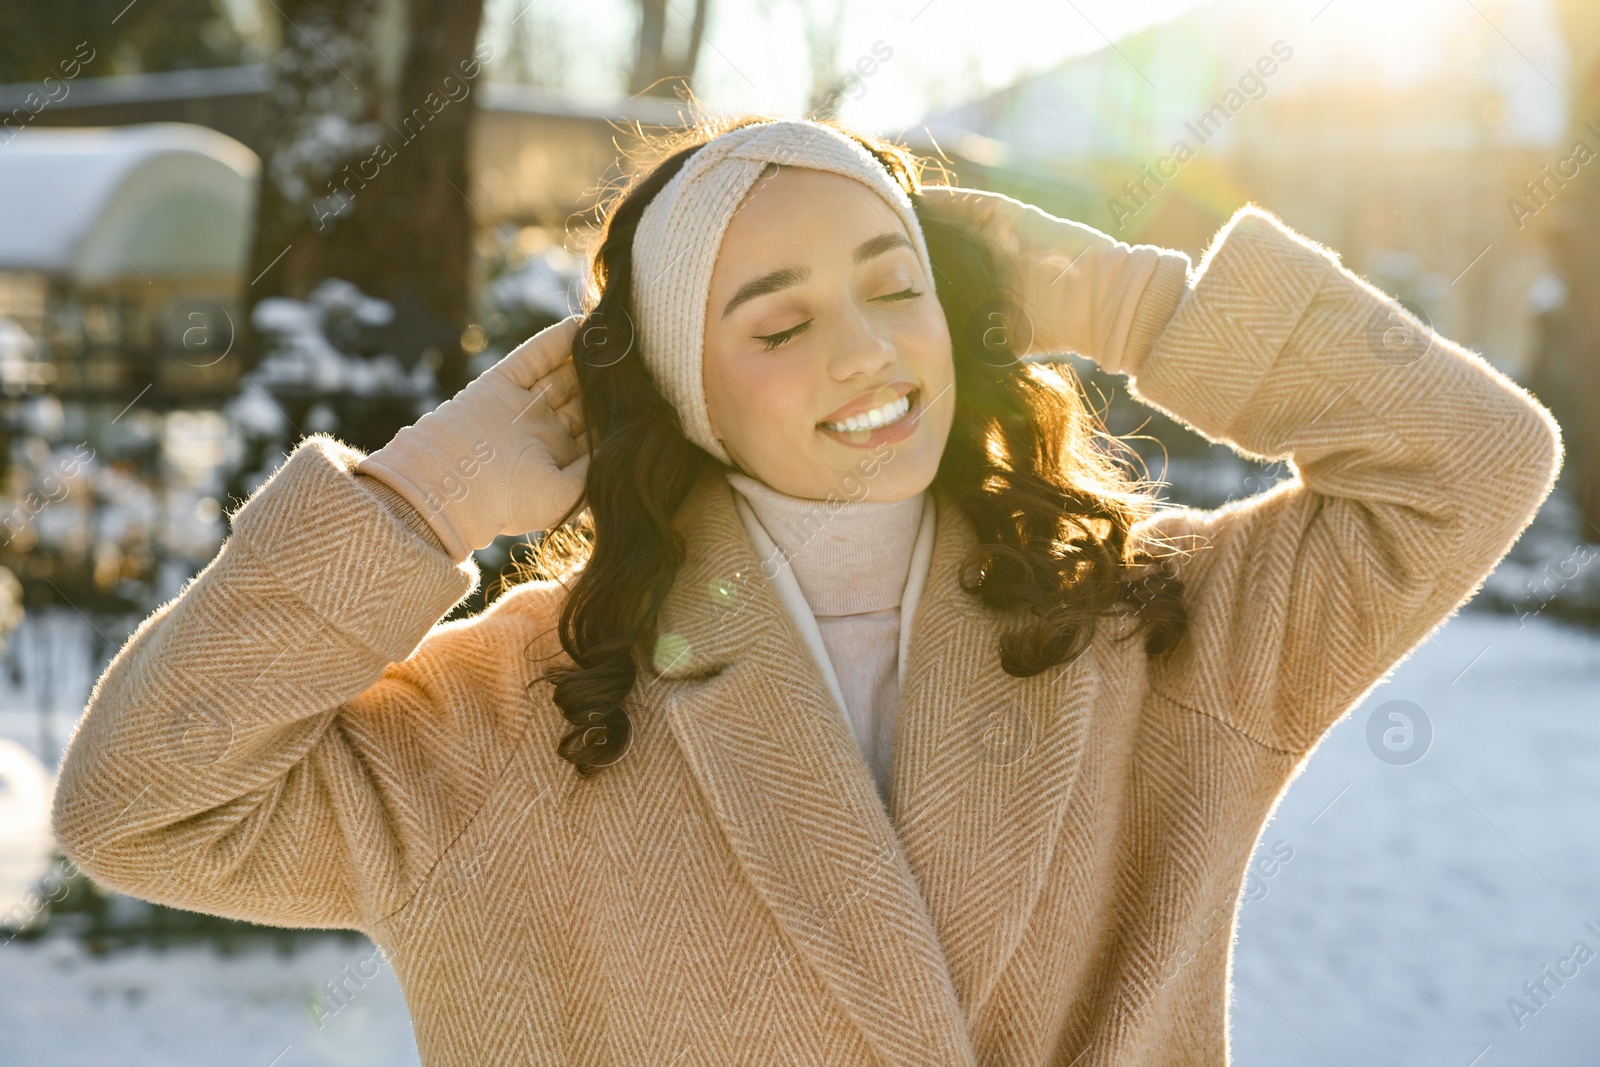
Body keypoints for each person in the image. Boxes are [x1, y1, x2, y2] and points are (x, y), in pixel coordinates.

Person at [50, 116, 1562, 1066]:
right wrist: (425, 497)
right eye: (777, 322)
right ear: (677, 391)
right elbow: (142, 808)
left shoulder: (1156, 624)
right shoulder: (519, 712)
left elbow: (1473, 459)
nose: (865, 352)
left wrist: (1127, 301)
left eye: (893, 285)